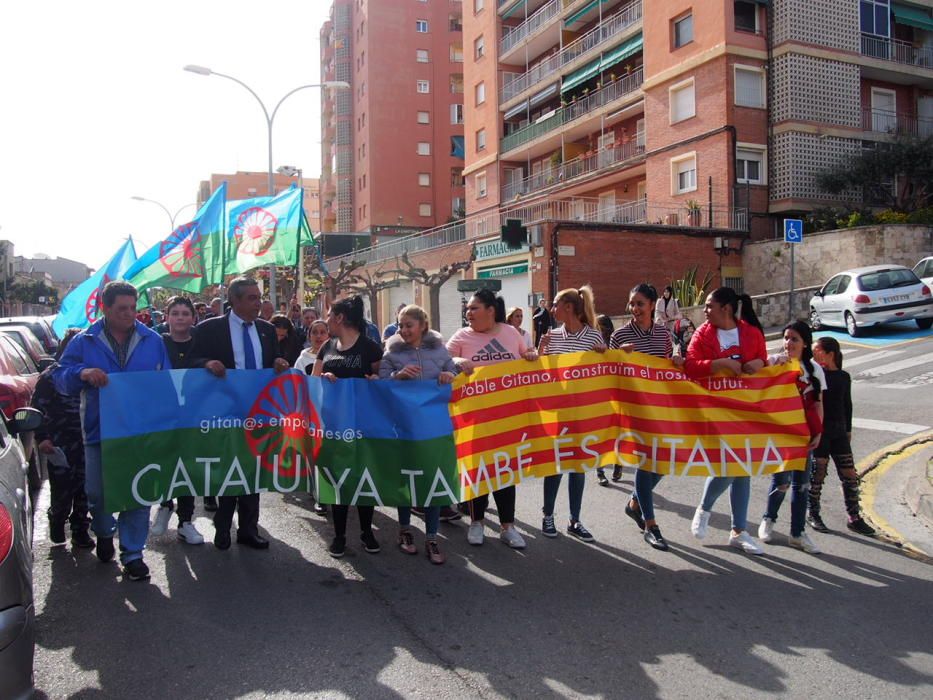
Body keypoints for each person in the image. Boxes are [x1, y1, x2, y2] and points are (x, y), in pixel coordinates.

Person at [53, 281, 172, 581]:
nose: (130, 314)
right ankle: (104, 531)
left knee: (138, 491)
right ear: (105, 308)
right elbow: (60, 378)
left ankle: (133, 554)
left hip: (140, 433)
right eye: (122, 309)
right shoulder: (84, 341)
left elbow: (167, 384)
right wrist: (82, 373)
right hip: (99, 433)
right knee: (99, 493)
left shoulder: (152, 340)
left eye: (133, 308)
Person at [189, 277, 290, 551]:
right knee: (228, 470)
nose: (259, 303)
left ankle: (248, 529)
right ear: (234, 300)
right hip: (224, 411)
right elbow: (192, 360)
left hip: (258, 412)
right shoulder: (210, 328)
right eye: (252, 298)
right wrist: (207, 363)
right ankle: (222, 527)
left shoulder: (267, 330)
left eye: (259, 297)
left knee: (252, 470)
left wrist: (279, 363)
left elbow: (273, 362)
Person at [447, 288, 537, 549]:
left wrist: (530, 356)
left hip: (508, 417)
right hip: (474, 419)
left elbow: (527, 356)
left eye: (474, 308)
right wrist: (456, 359)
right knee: (479, 470)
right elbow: (442, 360)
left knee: (505, 470)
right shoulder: (462, 336)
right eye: (468, 309)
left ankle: (508, 526)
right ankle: (476, 522)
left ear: (491, 311)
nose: (469, 313)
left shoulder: (510, 333)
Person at [686, 288, 767, 555]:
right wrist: (717, 363)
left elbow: (764, 362)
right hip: (714, 411)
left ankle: (739, 531)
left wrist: (757, 362)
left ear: (727, 309)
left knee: (742, 468)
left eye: (709, 306)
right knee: (728, 464)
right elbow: (690, 364)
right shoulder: (703, 333)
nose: (705, 311)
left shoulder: (752, 333)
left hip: (744, 411)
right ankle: (705, 508)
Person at [379, 304, 458, 564]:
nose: (403, 330)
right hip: (403, 428)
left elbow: (452, 370)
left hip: (433, 429)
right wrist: (397, 376)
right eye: (400, 325)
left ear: (422, 325)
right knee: (406, 479)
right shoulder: (392, 353)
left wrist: (449, 374)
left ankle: (432, 536)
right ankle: (404, 530)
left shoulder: (438, 349)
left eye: (408, 325)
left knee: (432, 479)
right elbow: (380, 385)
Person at [611, 284, 684, 551]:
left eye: (640, 303)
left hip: (659, 408)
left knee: (663, 462)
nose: (635, 309)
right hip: (633, 409)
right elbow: (610, 373)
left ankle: (634, 502)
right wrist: (619, 358)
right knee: (646, 461)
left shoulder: (663, 335)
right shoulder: (620, 336)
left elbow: (666, 367)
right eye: (632, 304)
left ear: (653, 305)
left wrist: (676, 359)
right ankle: (651, 525)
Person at [312, 295, 384, 558]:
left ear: (340, 318)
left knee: (364, 479)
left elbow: (383, 384)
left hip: (364, 426)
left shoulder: (371, 348)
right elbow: (313, 382)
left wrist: (376, 379)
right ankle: (340, 535)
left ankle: (367, 531)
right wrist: (325, 379)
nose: (328, 319)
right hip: (333, 427)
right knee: (336, 479)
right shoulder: (326, 347)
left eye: (330, 314)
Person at [538, 287, 605, 543]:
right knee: (554, 464)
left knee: (578, 465)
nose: (551, 309)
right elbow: (541, 373)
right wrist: (541, 350)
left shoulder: (593, 337)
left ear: (568, 307)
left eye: (555, 304)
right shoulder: (551, 336)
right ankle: (548, 515)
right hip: (557, 411)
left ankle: (575, 520)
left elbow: (601, 374)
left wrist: (603, 356)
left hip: (582, 411)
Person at [758, 321, 824, 554]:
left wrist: (818, 432)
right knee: (781, 481)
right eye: (786, 338)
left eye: (794, 339)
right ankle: (769, 519)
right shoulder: (775, 362)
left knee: (802, 484)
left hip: (803, 434)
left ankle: (797, 533)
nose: (789, 343)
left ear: (805, 343)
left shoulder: (814, 370)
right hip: (781, 434)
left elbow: (817, 403)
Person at [150, 296, 205, 545]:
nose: (181, 317)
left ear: (193, 318)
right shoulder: (156, 343)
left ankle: (186, 521)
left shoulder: (202, 344)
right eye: (176, 313)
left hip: (194, 416)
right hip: (163, 415)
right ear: (167, 317)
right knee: (165, 462)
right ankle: (164, 505)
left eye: (185, 313)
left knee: (187, 466)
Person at [32, 329, 93, 550]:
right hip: (60, 443)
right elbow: (37, 408)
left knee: (86, 489)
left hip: (87, 442)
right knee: (62, 490)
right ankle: (57, 519)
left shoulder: (90, 374)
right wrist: (43, 438)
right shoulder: (51, 376)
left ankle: (80, 529)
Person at [809, 337, 876, 537]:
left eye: (817, 351)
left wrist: (848, 429)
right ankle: (813, 513)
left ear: (830, 354)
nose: (813, 355)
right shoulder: (814, 376)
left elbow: (847, 404)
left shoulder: (843, 377)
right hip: (820, 433)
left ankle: (854, 517)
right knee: (817, 474)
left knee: (849, 475)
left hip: (838, 432)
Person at [594, 314, 620, 487]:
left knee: (618, 433)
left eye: (604, 327)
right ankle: (600, 470)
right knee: (602, 435)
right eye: (599, 327)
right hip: (601, 395)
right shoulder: (593, 344)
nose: (602, 331)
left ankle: (618, 464)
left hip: (617, 394)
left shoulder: (615, 341)